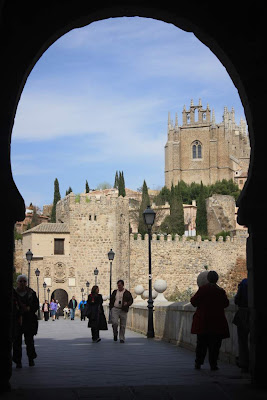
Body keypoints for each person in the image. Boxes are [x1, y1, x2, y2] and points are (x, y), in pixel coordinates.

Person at [190, 270, 230, 371]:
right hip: (217, 322)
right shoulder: (220, 291)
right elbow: (226, 304)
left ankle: (198, 363)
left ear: (208, 279)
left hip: (203, 321)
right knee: (215, 345)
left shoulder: (203, 289)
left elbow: (193, 302)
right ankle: (213, 364)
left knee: (201, 344)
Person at [12, 274, 39, 368]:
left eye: (24, 281)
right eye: (21, 281)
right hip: (17, 320)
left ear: (26, 282)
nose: (22, 283)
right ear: (17, 282)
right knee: (16, 342)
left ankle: (31, 359)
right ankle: (17, 361)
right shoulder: (13, 293)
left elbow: (36, 305)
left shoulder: (32, 293)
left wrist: (29, 308)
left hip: (29, 320)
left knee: (29, 341)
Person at [233, 277, 249, 373]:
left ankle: (244, 363)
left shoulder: (244, 283)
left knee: (243, 341)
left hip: (243, 313)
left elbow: (237, 300)